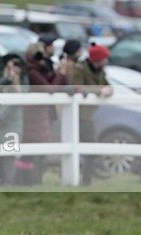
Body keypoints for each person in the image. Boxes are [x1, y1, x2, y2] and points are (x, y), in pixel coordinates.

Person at [22, 38, 66, 185]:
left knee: (39, 152)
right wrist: (60, 74)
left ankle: (35, 179)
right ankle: (31, 180)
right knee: (32, 152)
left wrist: (56, 73)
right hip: (33, 115)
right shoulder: (32, 71)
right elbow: (50, 88)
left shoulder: (38, 69)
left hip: (39, 114)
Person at [70, 44, 114, 185]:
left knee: (91, 148)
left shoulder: (100, 71)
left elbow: (106, 85)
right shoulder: (80, 70)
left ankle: (87, 178)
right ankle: (79, 177)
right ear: (97, 59)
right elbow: (77, 87)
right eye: (104, 58)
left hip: (89, 116)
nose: (106, 61)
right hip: (77, 115)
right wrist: (99, 91)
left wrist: (109, 90)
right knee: (81, 148)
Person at [0, 54, 27, 185]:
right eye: (10, 65)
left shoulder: (23, 80)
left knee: (10, 153)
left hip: (13, 122)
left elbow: (22, 96)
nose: (13, 68)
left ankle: (9, 183)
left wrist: (15, 83)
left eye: (17, 65)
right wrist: (6, 79)